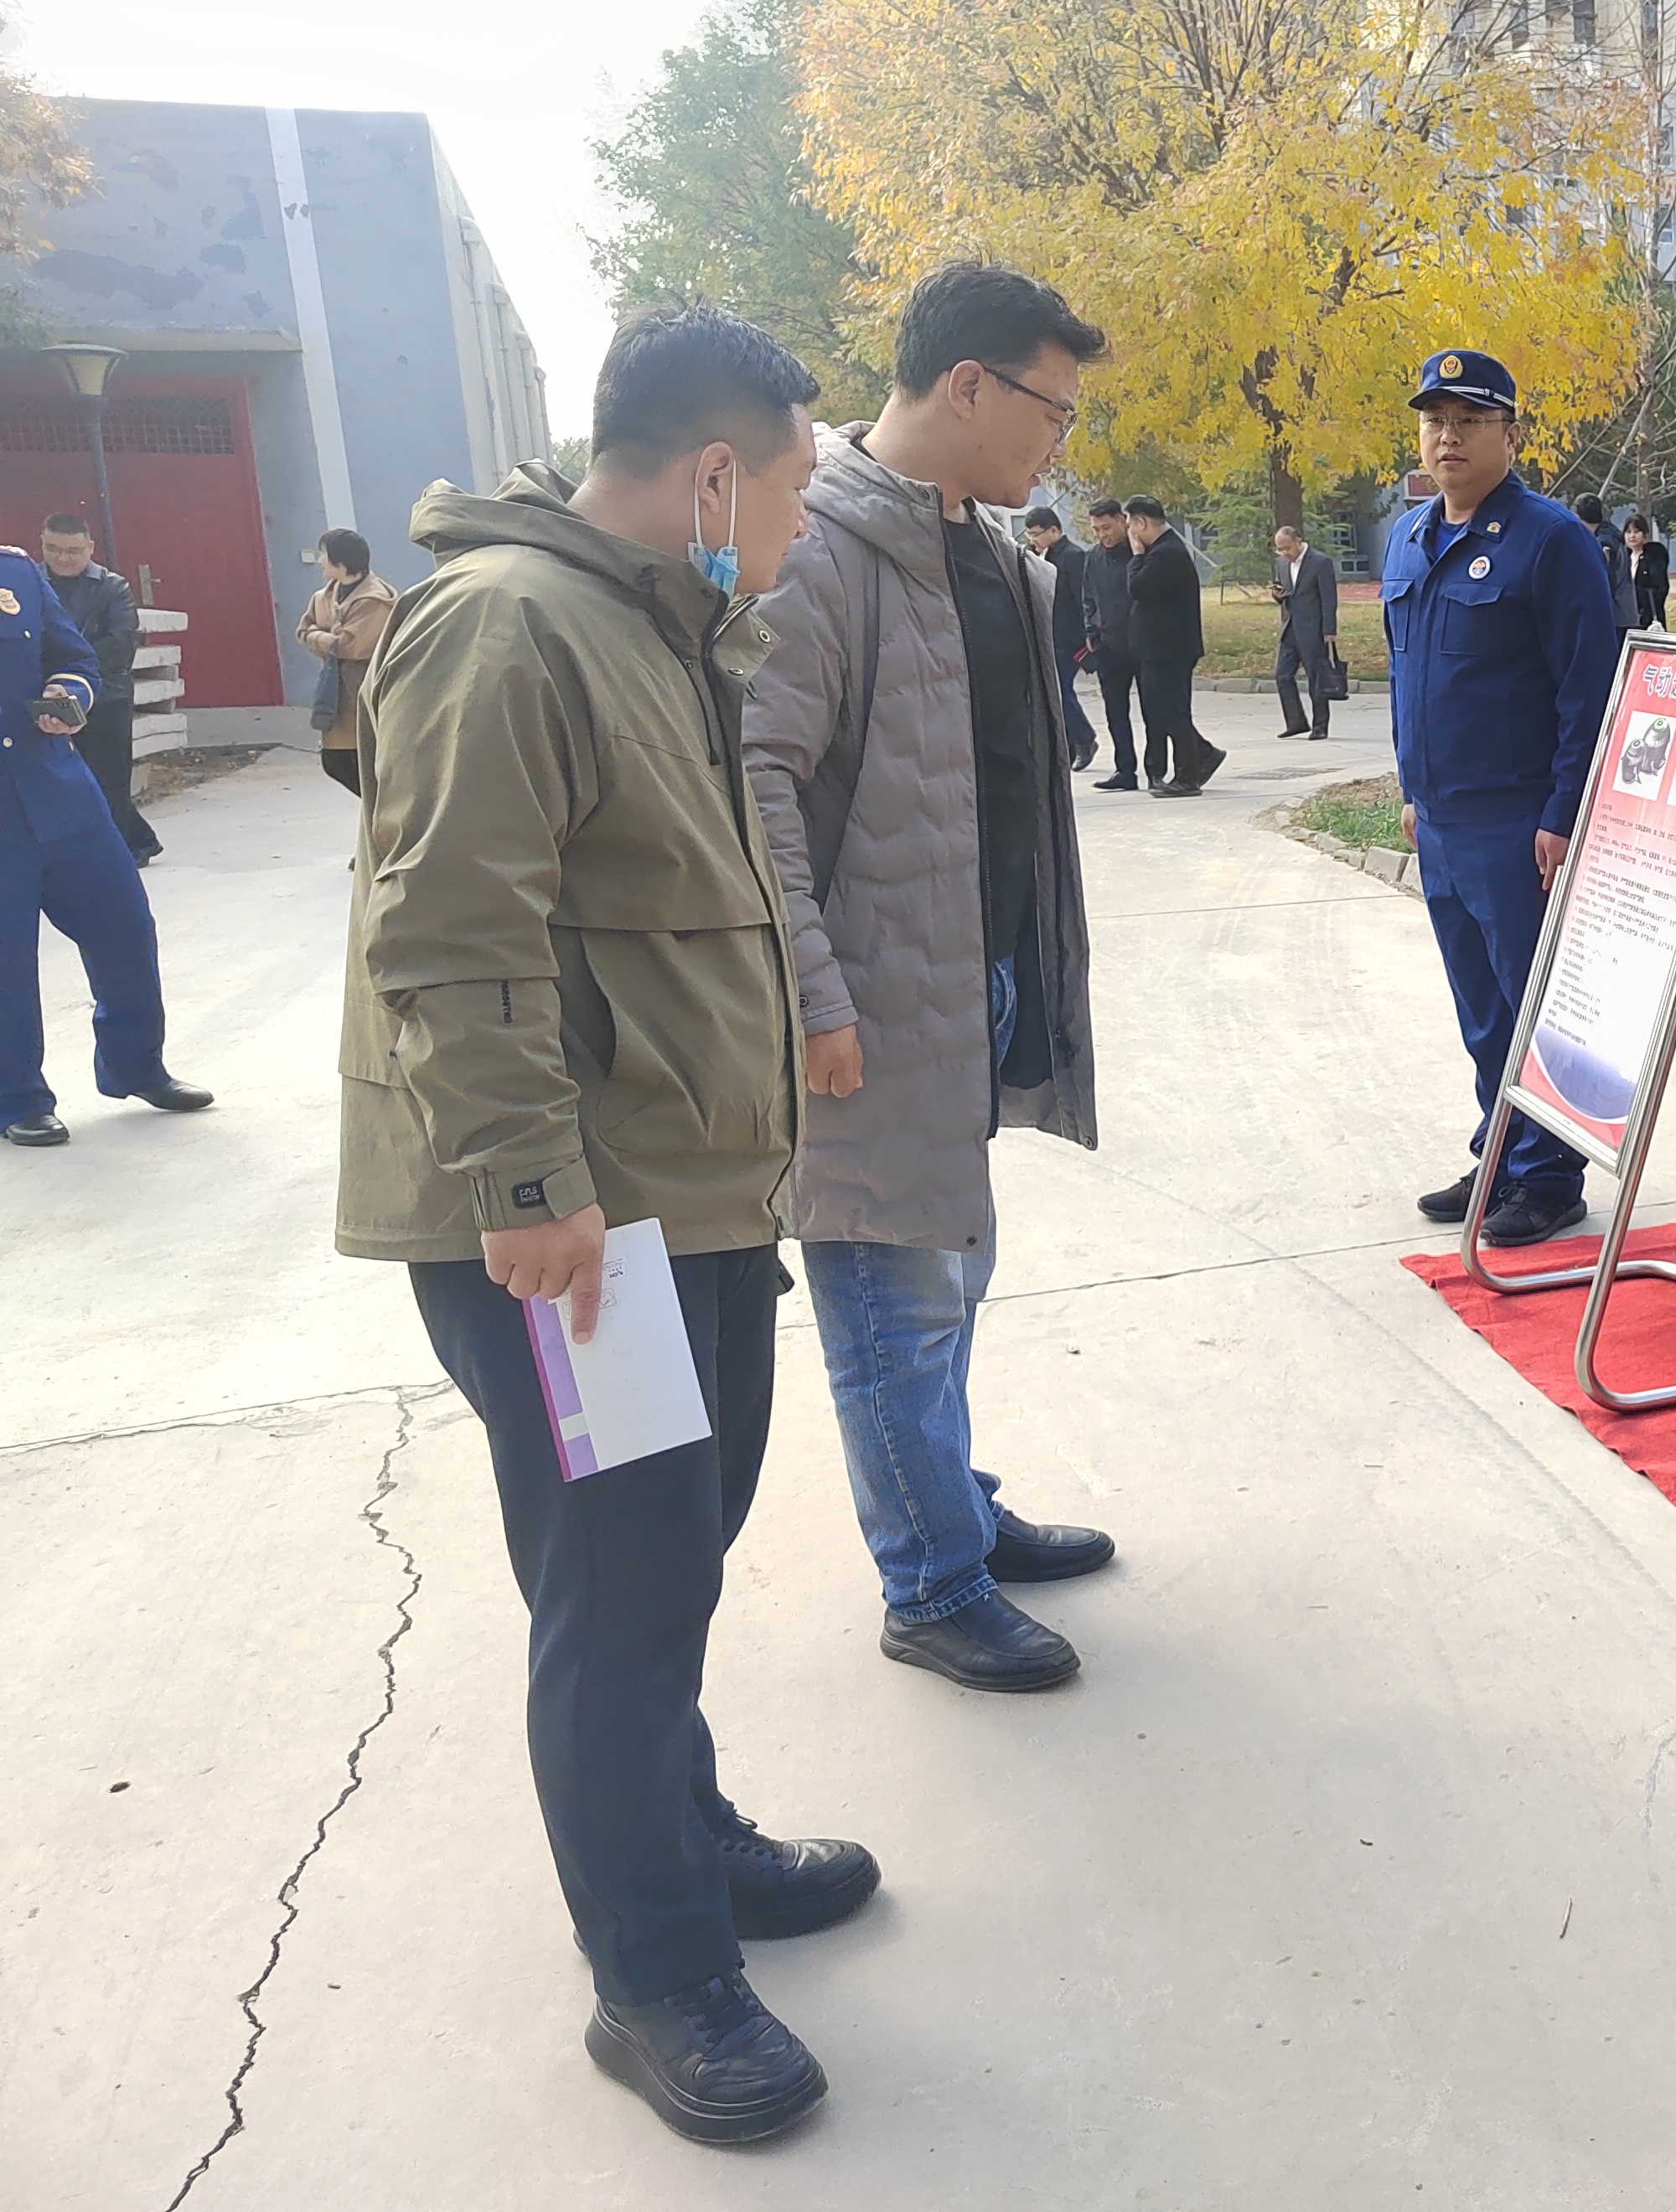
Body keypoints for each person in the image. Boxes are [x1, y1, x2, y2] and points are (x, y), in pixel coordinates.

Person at [339, 303, 859, 2144]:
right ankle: (655, 1973)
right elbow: (448, 926)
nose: (795, 523)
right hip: (582, 1227)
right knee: (620, 1591)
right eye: (791, 488)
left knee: (673, 1559)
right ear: (714, 472)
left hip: (676, 1193)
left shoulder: (649, 622)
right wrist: (530, 1189)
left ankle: (679, 1833)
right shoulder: (507, 624)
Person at [743, 261, 1115, 1697]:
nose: (1059, 441)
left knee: (953, 1267)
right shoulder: (824, 552)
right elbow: (757, 787)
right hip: (872, 1001)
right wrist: (813, 996)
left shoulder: (983, 548)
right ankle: (930, 1580)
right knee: (888, 1295)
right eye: (1051, 409)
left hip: (973, 977)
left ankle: (951, 1500)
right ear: (967, 384)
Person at [1388, 350, 1617, 1248]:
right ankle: (1503, 1153)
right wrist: (1414, 792)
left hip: (1519, 823)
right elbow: (1409, 678)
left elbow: (1586, 689)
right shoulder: (1409, 538)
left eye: (1470, 421)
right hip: (1441, 820)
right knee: (1481, 1009)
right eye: (1435, 421)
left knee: (1533, 1004)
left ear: (1511, 435)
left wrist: (1563, 812)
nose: (1448, 437)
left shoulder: (1549, 540)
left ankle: (1550, 1177)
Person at [3, 558, 212, 1149]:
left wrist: (66, 693)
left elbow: (74, 658)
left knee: (125, 927)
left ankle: (136, 1066)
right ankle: (18, 1098)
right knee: (7, 961)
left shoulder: (16, 575)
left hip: (60, 793)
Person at [38, 514, 160, 863]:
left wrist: (69, 671)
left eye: (73, 551)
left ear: (90, 548)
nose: (63, 558)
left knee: (108, 778)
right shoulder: (29, 584)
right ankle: (136, 841)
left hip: (106, 696)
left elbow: (119, 644)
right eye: (53, 549)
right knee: (61, 779)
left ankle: (118, 854)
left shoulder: (113, 587)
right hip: (46, 696)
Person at [1125, 496, 1223, 797]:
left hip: (1168, 649)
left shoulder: (1166, 554)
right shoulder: (1163, 551)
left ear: (1141, 523)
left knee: (1173, 712)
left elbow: (1137, 587)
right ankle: (1203, 754)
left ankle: (1188, 776)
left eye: (1130, 525)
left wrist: (1136, 556)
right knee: (1163, 711)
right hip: (1160, 648)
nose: (1129, 532)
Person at [294, 525, 396, 795]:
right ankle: (382, 813)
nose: (320, 561)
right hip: (334, 692)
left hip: (363, 691)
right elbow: (303, 631)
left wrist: (322, 638)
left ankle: (388, 814)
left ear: (341, 562)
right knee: (335, 761)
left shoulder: (375, 600)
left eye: (324, 555)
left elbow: (350, 646)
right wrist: (328, 638)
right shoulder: (323, 597)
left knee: (363, 764)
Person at [1024, 501, 1102, 773]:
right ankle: (1068, 746)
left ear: (1054, 531)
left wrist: (1088, 633)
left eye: (1037, 534)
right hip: (1049, 635)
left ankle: (1084, 739)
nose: (1033, 539)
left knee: (1060, 691)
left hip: (1069, 638)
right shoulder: (1040, 556)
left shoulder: (1072, 556)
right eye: (1029, 535)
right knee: (1052, 692)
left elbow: (1084, 598)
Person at [1077, 496, 1142, 792]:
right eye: (1096, 530)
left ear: (1122, 521)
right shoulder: (1093, 556)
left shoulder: (1139, 552)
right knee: (1115, 712)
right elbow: (1088, 597)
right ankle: (1125, 770)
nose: (1103, 535)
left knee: (1154, 711)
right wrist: (1091, 632)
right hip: (1107, 646)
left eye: (1107, 527)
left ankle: (1157, 769)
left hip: (1141, 644)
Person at [1270, 521, 1338, 741]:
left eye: (1287, 548)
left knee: (1316, 678)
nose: (1284, 553)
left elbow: (1329, 598)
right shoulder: (1282, 563)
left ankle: (1320, 726)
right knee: (1282, 675)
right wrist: (1277, 595)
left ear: (1299, 541)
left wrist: (1329, 629)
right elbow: (1280, 587)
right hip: (1290, 628)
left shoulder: (1320, 562)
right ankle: (1296, 722)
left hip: (1313, 629)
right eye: (1280, 550)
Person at [1575, 492, 1637, 632]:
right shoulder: (1609, 533)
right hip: (1621, 614)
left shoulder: (1604, 542)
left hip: (1612, 616)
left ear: (1578, 516)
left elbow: (1603, 579)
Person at [1626, 510, 1670, 628]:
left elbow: (1660, 589)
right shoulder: (1623, 558)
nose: (1632, 536)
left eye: (1636, 532)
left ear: (1645, 535)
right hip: (1628, 618)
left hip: (1648, 619)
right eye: (1628, 532)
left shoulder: (1654, 556)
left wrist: (1634, 594)